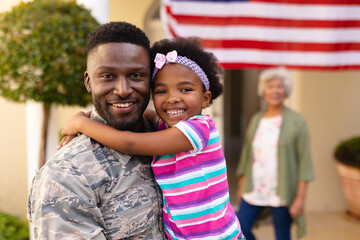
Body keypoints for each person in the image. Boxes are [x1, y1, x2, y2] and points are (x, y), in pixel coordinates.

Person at [59, 37, 245, 240]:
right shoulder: (167, 125)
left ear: (206, 98)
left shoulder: (197, 129)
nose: (172, 98)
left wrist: (82, 124)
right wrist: (95, 113)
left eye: (185, 89)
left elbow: (130, 143)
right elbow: (145, 113)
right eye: (161, 91)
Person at [27, 21, 165, 239]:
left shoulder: (169, 141)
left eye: (136, 75)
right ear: (89, 82)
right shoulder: (67, 175)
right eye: (108, 76)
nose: (123, 90)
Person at [235, 67, 315, 240]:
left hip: (282, 192)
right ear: (263, 90)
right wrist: (241, 186)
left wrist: (300, 198)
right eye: (270, 86)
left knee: (282, 236)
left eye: (279, 86)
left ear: (286, 90)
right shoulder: (257, 119)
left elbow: (304, 162)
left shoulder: (297, 121)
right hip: (254, 189)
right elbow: (248, 156)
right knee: (240, 229)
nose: (275, 90)